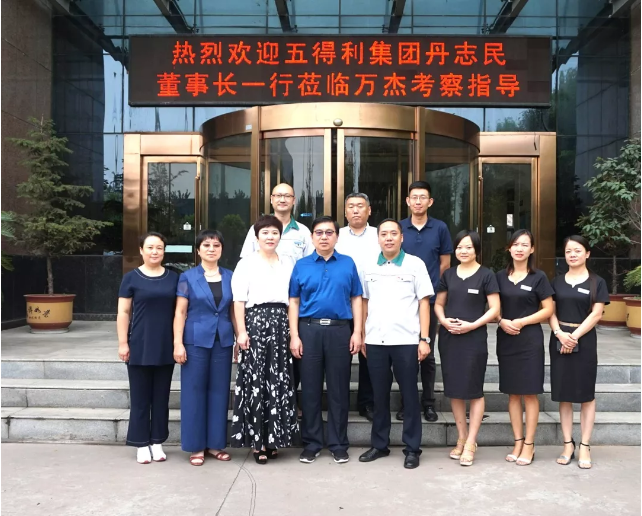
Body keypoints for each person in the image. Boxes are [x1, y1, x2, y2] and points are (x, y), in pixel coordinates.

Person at [359, 219, 434, 469]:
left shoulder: (415, 264)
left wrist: (424, 339)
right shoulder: (368, 266)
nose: (388, 238)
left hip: (406, 341)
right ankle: (379, 445)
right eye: (384, 234)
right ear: (378, 238)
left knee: (410, 396)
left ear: (402, 237)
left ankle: (412, 448)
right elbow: (364, 302)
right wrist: (362, 334)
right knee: (379, 396)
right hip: (375, 341)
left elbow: (424, 303)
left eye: (393, 233)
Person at [288, 216, 363, 465]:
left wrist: (357, 332)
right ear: (311, 237)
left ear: (337, 237)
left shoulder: (348, 263)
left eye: (329, 232)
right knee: (310, 389)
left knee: (339, 390)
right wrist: (294, 335)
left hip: (340, 331)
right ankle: (312, 443)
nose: (324, 237)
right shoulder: (302, 265)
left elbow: (356, 298)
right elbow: (294, 302)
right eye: (319, 232)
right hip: (308, 331)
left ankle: (338, 444)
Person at [230, 215, 298, 464]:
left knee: (278, 380)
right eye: (265, 233)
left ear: (280, 236)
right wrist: (241, 332)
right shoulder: (246, 263)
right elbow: (239, 301)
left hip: (281, 323)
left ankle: (274, 438)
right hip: (255, 323)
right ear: (256, 237)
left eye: (274, 232)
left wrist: (293, 333)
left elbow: (293, 300)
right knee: (256, 380)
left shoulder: (289, 261)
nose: (270, 237)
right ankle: (257, 442)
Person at [241, 182, 313, 414]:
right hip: (261, 308)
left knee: (291, 358)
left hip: (294, 305)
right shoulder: (256, 229)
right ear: (271, 199)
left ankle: (287, 404)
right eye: (278, 195)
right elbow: (246, 265)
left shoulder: (303, 232)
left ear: (294, 200)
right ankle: (264, 409)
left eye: (287, 196)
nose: (282, 199)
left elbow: (310, 265)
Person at [434, 230, 500, 467]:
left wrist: (473, 325)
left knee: (473, 390)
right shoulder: (449, 274)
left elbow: (494, 309)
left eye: (468, 247)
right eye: (460, 247)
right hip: (450, 338)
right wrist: (443, 321)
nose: (463, 251)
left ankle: (471, 441)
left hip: (474, 338)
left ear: (477, 250)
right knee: (455, 389)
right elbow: (439, 304)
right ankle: (461, 437)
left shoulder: (486, 275)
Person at [173, 230, 235, 466]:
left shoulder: (230, 276)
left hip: (223, 341)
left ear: (222, 249)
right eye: (206, 245)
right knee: (194, 392)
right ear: (198, 250)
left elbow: (232, 311)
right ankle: (196, 446)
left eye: (216, 245)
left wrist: (238, 338)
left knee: (219, 392)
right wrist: (178, 343)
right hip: (195, 341)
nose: (211, 249)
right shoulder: (188, 277)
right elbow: (180, 312)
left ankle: (215, 444)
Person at [117, 232, 178, 464]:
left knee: (161, 397)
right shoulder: (131, 278)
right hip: (139, 344)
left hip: (165, 344)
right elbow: (123, 312)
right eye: (150, 247)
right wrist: (123, 342)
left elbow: (180, 312)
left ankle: (157, 441)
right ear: (141, 250)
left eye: (159, 248)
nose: (155, 252)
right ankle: (141, 443)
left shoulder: (174, 278)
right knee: (140, 397)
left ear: (164, 251)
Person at [549, 235, 608, 469]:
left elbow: (596, 313)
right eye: (568, 251)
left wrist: (573, 337)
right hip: (559, 339)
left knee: (586, 395)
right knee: (564, 394)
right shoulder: (556, 282)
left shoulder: (597, 282)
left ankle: (585, 445)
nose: (572, 255)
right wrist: (559, 334)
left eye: (577, 250)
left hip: (584, 340)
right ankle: (567, 444)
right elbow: (550, 311)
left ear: (587, 253)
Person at [496, 230, 554, 466]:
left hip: (529, 339)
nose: (519, 249)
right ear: (509, 248)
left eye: (524, 245)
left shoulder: (538, 277)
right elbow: (492, 307)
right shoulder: (499, 277)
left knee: (530, 393)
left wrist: (521, 321)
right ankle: (518, 442)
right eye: (515, 244)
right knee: (513, 393)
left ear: (532, 250)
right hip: (506, 338)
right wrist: (501, 320)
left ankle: (529, 444)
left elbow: (548, 309)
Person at [398, 180, 452, 423]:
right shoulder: (399, 228)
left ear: (430, 202)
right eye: (414, 197)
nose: (418, 201)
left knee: (427, 354)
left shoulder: (440, 228)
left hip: (428, 302)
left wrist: (434, 292)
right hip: (402, 301)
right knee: (404, 354)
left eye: (423, 197)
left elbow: (445, 264)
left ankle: (428, 402)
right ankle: (406, 402)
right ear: (407, 201)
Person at [335, 193, 381, 422]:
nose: (355, 210)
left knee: (368, 354)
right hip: (342, 303)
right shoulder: (337, 236)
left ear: (369, 210)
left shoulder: (379, 235)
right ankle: (339, 402)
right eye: (351, 206)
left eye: (360, 206)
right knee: (340, 355)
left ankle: (367, 402)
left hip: (373, 302)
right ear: (345, 212)